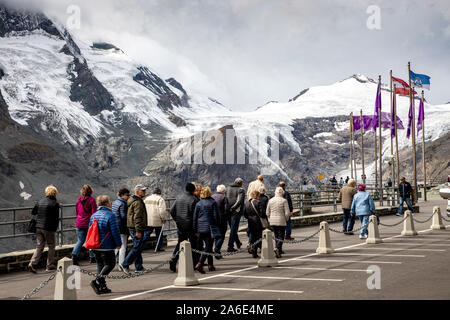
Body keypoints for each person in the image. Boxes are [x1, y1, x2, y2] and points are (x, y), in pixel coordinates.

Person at [89, 195, 122, 295]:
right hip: (106, 245)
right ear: (106, 203)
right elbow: (115, 231)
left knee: (100, 265)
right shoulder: (110, 215)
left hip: (95, 245)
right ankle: (97, 281)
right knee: (110, 264)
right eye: (109, 202)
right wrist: (118, 243)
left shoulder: (93, 215)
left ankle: (102, 286)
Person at [28, 185, 60, 273]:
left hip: (38, 227)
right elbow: (56, 218)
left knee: (39, 246)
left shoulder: (40, 201)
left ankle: (32, 263)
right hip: (48, 228)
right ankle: (49, 266)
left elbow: (33, 212)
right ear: (55, 193)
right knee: (51, 246)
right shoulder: (55, 203)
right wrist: (55, 228)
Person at [169, 183, 199, 272]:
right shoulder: (194, 199)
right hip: (191, 225)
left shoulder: (179, 197)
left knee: (180, 243)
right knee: (193, 244)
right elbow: (196, 215)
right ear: (193, 190)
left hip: (180, 225)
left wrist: (177, 220)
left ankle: (174, 259)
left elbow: (171, 210)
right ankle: (194, 264)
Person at [119, 185, 148, 274]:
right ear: (138, 191)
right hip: (136, 228)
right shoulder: (137, 202)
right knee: (136, 247)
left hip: (132, 227)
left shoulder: (133, 200)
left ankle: (139, 267)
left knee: (138, 247)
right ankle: (125, 264)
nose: (144, 192)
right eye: (143, 191)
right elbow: (137, 217)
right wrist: (139, 230)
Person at [193, 186, 220, 274]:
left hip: (200, 228)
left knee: (208, 246)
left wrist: (195, 230)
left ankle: (210, 265)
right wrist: (217, 225)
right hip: (209, 227)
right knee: (208, 247)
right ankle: (200, 263)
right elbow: (216, 216)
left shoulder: (198, 204)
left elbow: (195, 218)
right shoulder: (213, 203)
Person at [72, 184, 97, 265]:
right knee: (90, 240)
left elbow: (77, 212)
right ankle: (92, 257)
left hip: (79, 223)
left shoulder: (78, 200)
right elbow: (94, 213)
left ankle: (74, 255)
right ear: (90, 191)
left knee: (80, 240)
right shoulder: (92, 200)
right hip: (88, 223)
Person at [266, 187, 290, 258]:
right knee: (281, 236)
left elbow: (267, 212)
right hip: (281, 220)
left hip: (273, 220)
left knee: (276, 235)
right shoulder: (284, 201)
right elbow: (287, 213)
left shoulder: (270, 200)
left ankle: (278, 251)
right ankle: (277, 248)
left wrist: (270, 219)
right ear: (282, 193)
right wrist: (286, 219)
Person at [112, 188, 130, 271]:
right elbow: (123, 216)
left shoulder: (115, 202)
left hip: (115, 226)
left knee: (116, 245)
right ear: (122, 195)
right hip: (122, 227)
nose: (128, 196)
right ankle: (121, 265)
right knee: (123, 247)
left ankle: (110, 262)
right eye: (127, 195)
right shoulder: (123, 204)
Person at [144, 187, 167, 252]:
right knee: (159, 234)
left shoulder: (147, 198)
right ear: (159, 193)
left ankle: (139, 246)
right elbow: (162, 211)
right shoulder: (160, 199)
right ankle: (158, 247)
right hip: (157, 220)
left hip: (148, 219)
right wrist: (163, 218)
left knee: (146, 234)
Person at [226, 178, 245, 252]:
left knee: (232, 228)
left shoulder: (228, 188)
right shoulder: (241, 190)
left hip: (228, 210)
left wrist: (228, 208)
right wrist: (233, 208)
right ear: (240, 183)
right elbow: (239, 201)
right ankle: (230, 246)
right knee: (234, 228)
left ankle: (238, 242)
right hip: (236, 211)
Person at [243, 190, 264, 258]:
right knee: (258, 237)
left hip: (250, 221)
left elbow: (244, 213)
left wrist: (249, 217)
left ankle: (252, 247)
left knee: (252, 235)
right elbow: (262, 213)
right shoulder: (258, 203)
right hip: (257, 221)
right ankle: (254, 249)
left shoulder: (247, 203)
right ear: (257, 196)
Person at [211, 184, 229, 259]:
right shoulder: (224, 197)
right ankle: (217, 250)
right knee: (221, 235)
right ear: (223, 191)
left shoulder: (212, 197)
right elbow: (226, 209)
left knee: (215, 235)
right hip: (222, 219)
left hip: (213, 219)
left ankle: (216, 251)